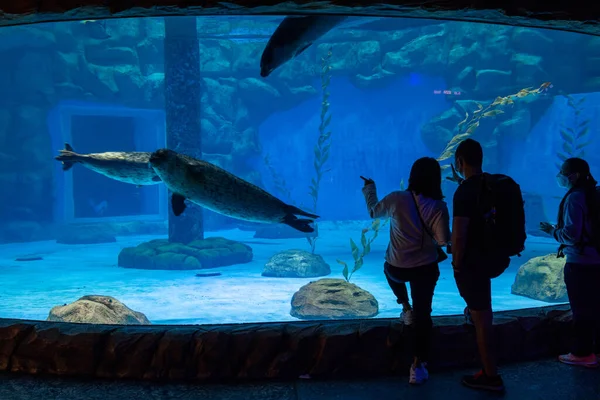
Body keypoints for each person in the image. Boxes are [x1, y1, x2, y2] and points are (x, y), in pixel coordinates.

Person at [361, 157, 451, 385]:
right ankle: (418, 365)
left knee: (387, 267)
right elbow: (443, 241)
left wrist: (370, 188)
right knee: (425, 316)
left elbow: (373, 212)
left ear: (412, 176)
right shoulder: (438, 206)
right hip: (424, 271)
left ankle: (405, 306)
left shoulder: (396, 199)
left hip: (397, 269)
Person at [449, 138, 508, 392]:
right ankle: (489, 368)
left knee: (482, 319)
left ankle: (490, 376)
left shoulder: (464, 192)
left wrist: (457, 263)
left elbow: (459, 234)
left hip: (473, 263)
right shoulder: (491, 186)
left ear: (460, 162)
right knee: (483, 313)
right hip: (493, 258)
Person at [540, 157, 600, 368]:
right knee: (595, 307)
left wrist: (553, 231)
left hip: (580, 263)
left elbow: (572, 234)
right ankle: (595, 350)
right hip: (596, 260)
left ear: (573, 175)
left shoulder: (575, 198)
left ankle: (583, 354)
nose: (561, 176)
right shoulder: (595, 193)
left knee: (581, 309)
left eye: (564, 172)